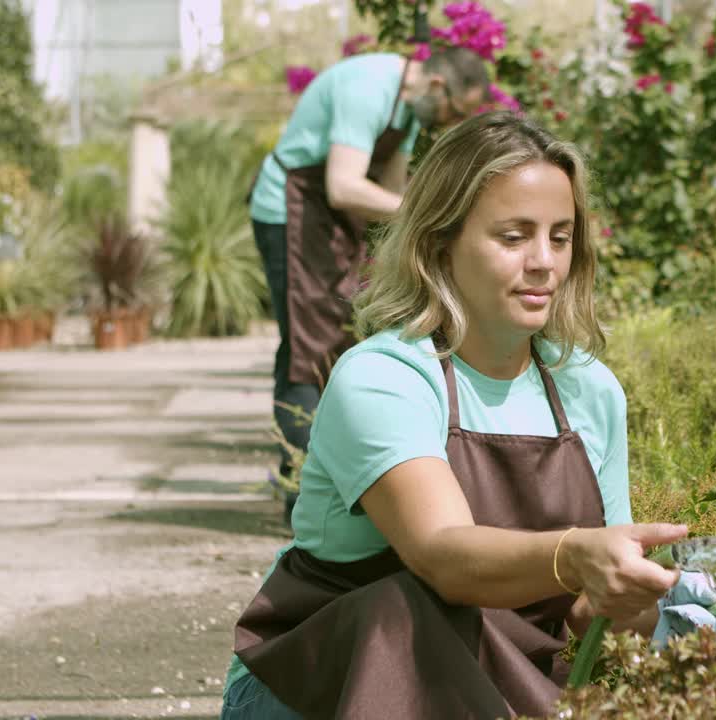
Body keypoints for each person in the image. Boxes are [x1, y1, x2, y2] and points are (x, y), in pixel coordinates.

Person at [221, 112, 689, 720]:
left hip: (495, 688)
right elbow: (445, 557)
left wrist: (630, 600)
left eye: (561, 236)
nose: (544, 262)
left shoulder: (588, 390)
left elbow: (588, 613)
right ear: (441, 242)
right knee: (399, 611)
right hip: (316, 687)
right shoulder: (385, 377)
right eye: (514, 237)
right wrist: (575, 555)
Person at [248, 47, 490, 522]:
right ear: (438, 87)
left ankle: (327, 478)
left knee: (336, 339)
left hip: (328, 217)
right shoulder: (369, 87)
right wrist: (430, 216)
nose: (449, 123)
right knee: (306, 347)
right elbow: (345, 186)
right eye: (454, 112)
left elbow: (389, 193)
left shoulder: (411, 106)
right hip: (290, 212)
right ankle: (302, 489)